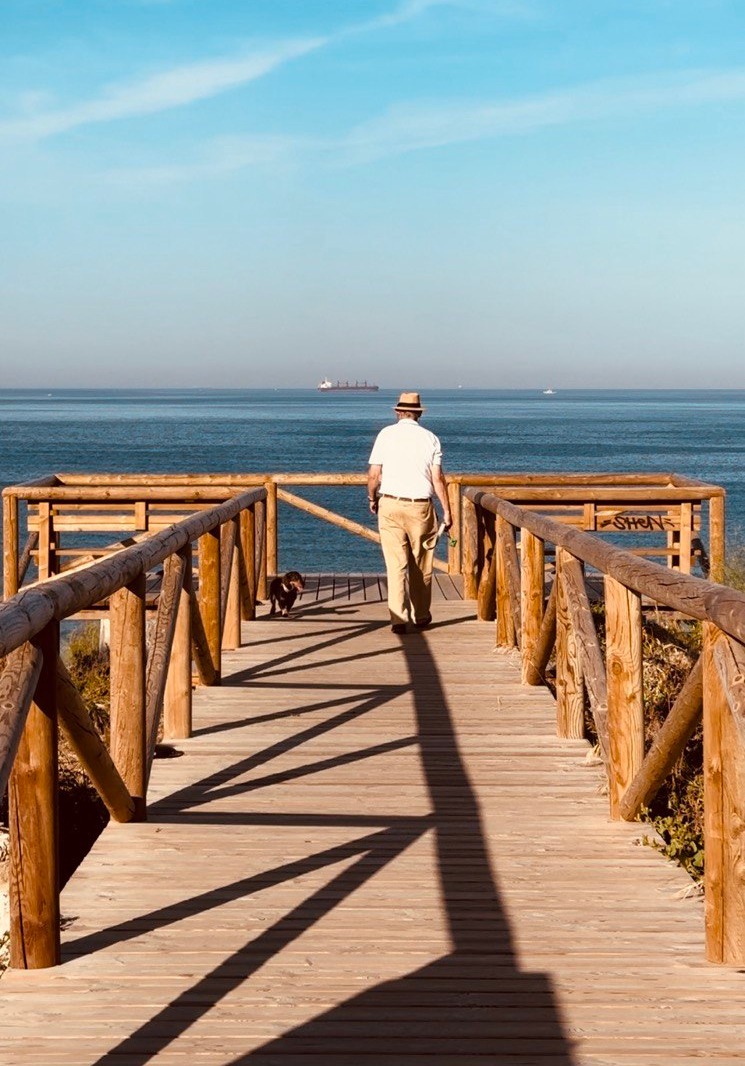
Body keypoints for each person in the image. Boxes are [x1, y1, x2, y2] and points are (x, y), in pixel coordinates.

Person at [367, 391, 452, 634]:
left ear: (397, 412)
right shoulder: (431, 439)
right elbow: (437, 478)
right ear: (418, 414)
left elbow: (373, 475)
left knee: (395, 565)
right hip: (420, 507)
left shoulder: (385, 435)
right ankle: (422, 615)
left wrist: (372, 498)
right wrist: (447, 511)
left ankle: (398, 618)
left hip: (390, 503)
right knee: (421, 564)